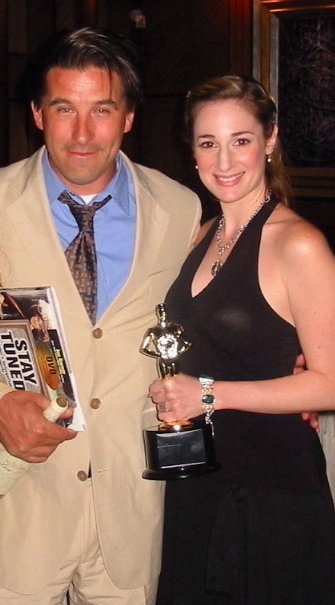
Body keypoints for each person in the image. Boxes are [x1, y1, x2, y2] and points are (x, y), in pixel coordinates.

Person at [0, 27, 201, 604]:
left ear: (129, 117)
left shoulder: (179, 209)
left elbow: (203, 315)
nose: (83, 134)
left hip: (131, 515)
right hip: (23, 511)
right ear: (38, 113)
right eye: (65, 109)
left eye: (102, 109)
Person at [149, 75, 335, 604]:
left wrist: (210, 393)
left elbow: (331, 384)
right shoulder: (200, 234)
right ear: (192, 151)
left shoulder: (297, 243)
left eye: (241, 140)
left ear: (270, 140)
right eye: (208, 143)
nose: (224, 162)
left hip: (271, 493)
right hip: (199, 483)